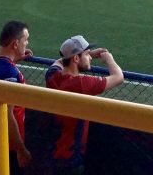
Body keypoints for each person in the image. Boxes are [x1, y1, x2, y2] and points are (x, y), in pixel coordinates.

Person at [45, 35, 124, 174]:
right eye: (88, 55)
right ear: (76, 58)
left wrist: (85, 54)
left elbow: (61, 61)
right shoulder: (81, 83)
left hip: (52, 153)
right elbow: (118, 77)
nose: (91, 58)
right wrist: (108, 59)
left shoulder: (52, 76)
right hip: (71, 159)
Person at [0, 21, 32, 174]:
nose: (27, 43)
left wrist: (17, 57)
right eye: (25, 40)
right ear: (15, 44)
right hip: (5, 143)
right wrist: (21, 149)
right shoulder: (10, 74)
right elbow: (7, 116)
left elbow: (1, 67)